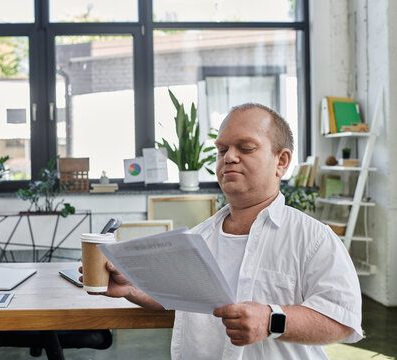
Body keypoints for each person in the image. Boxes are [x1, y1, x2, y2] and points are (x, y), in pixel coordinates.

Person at [81, 103, 363, 359]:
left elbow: (341, 320)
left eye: (246, 148)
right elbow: (181, 295)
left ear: (282, 161)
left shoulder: (313, 239)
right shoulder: (198, 238)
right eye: (222, 150)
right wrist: (132, 287)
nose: (229, 157)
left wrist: (270, 320)